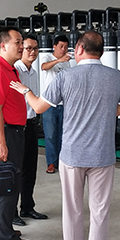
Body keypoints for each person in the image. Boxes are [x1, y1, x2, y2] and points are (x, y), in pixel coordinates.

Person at [10, 31, 120, 240]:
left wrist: (25, 91)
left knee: (72, 208)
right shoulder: (116, 77)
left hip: (72, 155)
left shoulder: (66, 76)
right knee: (99, 212)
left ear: (80, 49)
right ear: (102, 51)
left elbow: (38, 107)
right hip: (102, 155)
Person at [0, 26, 35, 240]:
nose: (22, 46)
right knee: (7, 185)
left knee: (3, 183)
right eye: (18, 42)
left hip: (12, 132)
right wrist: (1, 142)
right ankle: (7, 239)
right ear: (3, 45)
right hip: (7, 134)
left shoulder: (9, 69)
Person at [12, 34, 48, 227]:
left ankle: (27, 206)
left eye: (35, 48)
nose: (32, 52)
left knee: (30, 168)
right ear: (21, 49)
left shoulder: (33, 72)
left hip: (32, 123)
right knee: (16, 170)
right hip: (18, 126)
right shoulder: (15, 71)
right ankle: (12, 212)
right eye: (28, 48)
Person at [39, 35, 71, 174]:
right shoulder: (46, 57)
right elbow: (44, 67)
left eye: (66, 47)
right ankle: (51, 163)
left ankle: (62, 161)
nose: (63, 49)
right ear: (54, 46)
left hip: (64, 103)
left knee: (64, 134)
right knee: (51, 134)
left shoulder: (67, 63)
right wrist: (58, 60)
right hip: (49, 103)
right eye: (61, 46)